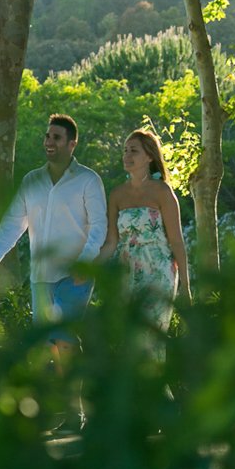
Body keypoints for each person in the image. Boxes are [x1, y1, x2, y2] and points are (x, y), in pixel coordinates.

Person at [0, 114, 107, 375]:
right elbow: (15, 220)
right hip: (41, 276)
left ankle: (77, 407)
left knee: (65, 338)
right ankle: (63, 401)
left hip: (75, 275)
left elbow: (99, 226)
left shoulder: (88, 180)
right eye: (47, 136)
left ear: (72, 143)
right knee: (48, 341)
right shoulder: (32, 180)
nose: (49, 142)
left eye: (57, 138)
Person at [99, 128, 192, 352]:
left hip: (159, 271)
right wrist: (90, 268)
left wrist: (186, 287)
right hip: (127, 271)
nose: (127, 155)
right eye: (125, 150)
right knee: (130, 343)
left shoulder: (162, 192)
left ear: (149, 156)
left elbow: (177, 241)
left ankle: (155, 386)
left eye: (134, 151)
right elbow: (111, 242)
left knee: (150, 342)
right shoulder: (117, 195)